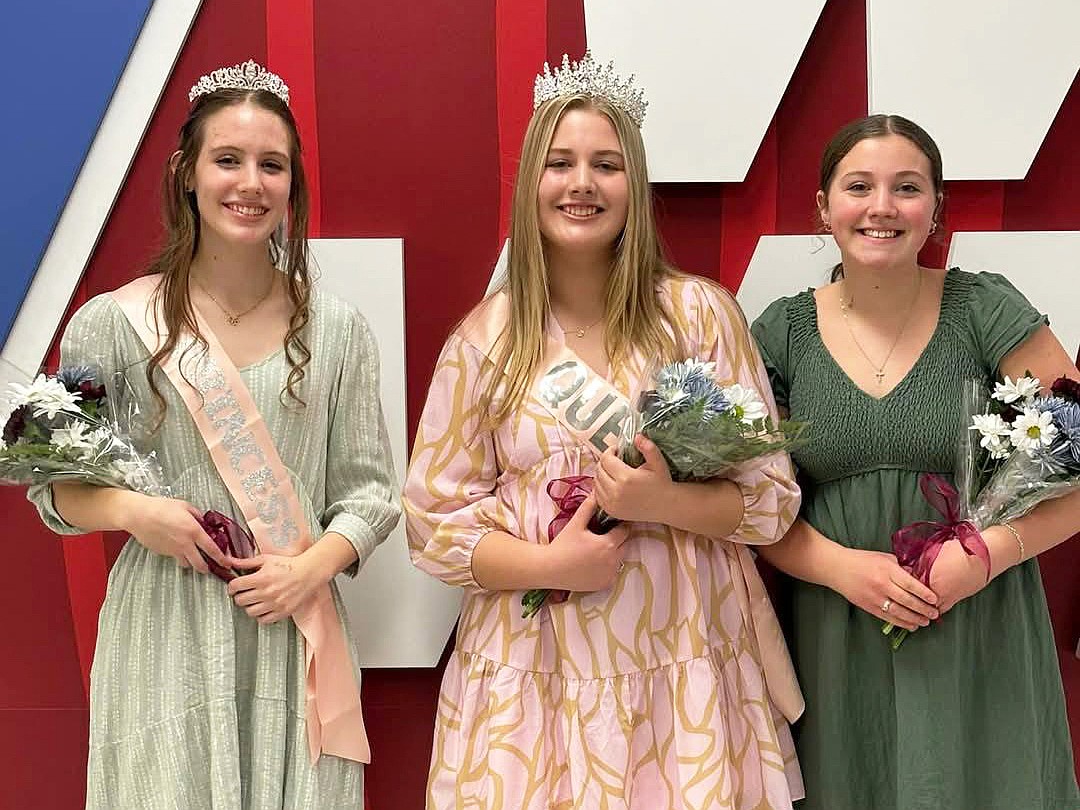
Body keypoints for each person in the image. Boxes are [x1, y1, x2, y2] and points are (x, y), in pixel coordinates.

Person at [402, 51, 805, 810]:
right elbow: (431, 524)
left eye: (606, 165)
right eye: (560, 163)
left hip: (679, 666)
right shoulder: (485, 341)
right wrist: (549, 564)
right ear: (531, 184)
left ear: (635, 185)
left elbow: (771, 503)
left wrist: (665, 502)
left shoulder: (699, 316)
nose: (582, 183)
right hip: (533, 678)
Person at [29, 61, 400, 809]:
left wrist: (313, 567)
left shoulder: (339, 331)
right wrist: (141, 514)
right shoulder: (107, 321)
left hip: (294, 628)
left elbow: (371, 493)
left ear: (293, 184)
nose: (250, 183)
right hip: (165, 630)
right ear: (186, 175)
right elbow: (49, 479)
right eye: (227, 159)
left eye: (272, 164)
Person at [751, 113, 1080, 810]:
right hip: (836, 628)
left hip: (977, 617)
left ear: (935, 208)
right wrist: (840, 568)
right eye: (858, 186)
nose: (881, 207)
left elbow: (1078, 475)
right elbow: (748, 502)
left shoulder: (983, 309)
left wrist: (983, 556)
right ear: (823, 208)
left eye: (906, 187)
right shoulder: (781, 332)